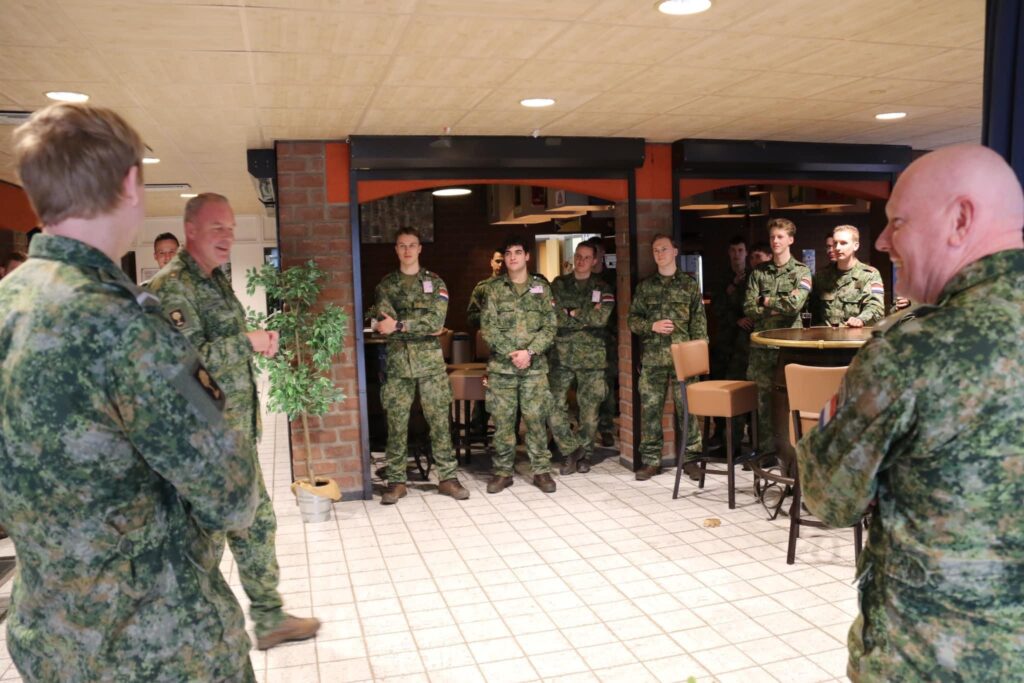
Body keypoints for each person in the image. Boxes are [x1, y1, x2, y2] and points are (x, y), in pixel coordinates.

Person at [1, 102, 259, 681]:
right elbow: (232, 493)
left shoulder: (7, 306)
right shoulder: (125, 326)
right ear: (129, 185)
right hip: (158, 645)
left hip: (48, 640)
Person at [797, 143, 1024, 681]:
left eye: (898, 221)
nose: (882, 240)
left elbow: (829, 496)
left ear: (960, 220)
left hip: (932, 657)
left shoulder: (913, 351)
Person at [148, 192, 321, 650]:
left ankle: (269, 617)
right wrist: (249, 340)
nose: (227, 236)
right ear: (190, 230)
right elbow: (183, 363)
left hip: (234, 437)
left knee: (257, 525)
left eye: (230, 227)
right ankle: (190, 638)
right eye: (216, 228)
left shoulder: (214, 281)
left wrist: (254, 343)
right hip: (203, 444)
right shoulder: (172, 287)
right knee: (204, 544)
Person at [367, 227, 469, 504]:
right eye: (402, 245)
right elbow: (385, 324)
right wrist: (416, 327)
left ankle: (447, 478)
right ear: (396, 249)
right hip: (399, 364)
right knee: (396, 424)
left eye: (412, 245)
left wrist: (400, 325)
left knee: (439, 421)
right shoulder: (386, 285)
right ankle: (396, 482)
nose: (407, 250)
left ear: (420, 248)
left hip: (430, 365)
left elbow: (435, 323)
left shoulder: (436, 283)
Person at [480, 235, 564, 493]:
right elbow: (488, 328)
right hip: (502, 369)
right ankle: (502, 472)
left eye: (517, 252)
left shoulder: (541, 288)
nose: (513, 257)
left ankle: (541, 471)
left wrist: (529, 352)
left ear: (527, 256)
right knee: (503, 423)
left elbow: (550, 327)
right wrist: (513, 353)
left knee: (536, 419)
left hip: (534, 368)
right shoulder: (493, 289)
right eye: (508, 253)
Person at [627, 233, 707, 481]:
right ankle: (651, 460)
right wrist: (651, 326)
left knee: (688, 409)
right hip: (653, 359)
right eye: (655, 250)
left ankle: (691, 458)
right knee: (650, 410)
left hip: (684, 358)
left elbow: (699, 325)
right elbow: (632, 320)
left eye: (663, 249)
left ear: (675, 252)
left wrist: (699, 358)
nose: (659, 254)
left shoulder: (689, 285)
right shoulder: (645, 287)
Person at [744, 218, 811, 455]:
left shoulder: (801, 271)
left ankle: (791, 452)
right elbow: (748, 308)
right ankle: (766, 453)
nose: (775, 241)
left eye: (780, 237)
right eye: (772, 237)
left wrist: (765, 301)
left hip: (789, 347)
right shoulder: (759, 273)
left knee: (791, 401)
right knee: (762, 402)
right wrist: (774, 308)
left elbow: (794, 305)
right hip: (761, 350)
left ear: (790, 240)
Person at [548, 241, 614, 474]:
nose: (581, 261)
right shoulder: (559, 284)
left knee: (589, 411)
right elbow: (553, 316)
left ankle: (586, 454)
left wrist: (571, 313)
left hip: (592, 358)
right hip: (562, 356)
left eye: (586, 257)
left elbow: (602, 318)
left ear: (594, 261)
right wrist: (584, 315)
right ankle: (570, 449)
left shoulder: (602, 287)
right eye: (578, 256)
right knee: (553, 404)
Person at [709, 236, 753, 459]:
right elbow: (716, 307)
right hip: (724, 342)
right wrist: (734, 318)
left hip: (746, 345)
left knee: (744, 391)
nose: (737, 255)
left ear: (746, 253)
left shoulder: (754, 277)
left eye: (740, 250)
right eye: (733, 250)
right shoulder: (721, 277)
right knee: (720, 388)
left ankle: (748, 439)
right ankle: (721, 434)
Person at [810, 225, 885, 327]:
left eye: (843, 243)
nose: (837, 248)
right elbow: (813, 310)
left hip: (854, 334)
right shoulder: (821, 276)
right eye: (835, 243)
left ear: (856, 246)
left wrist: (861, 319)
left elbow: (876, 308)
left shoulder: (869, 275)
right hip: (827, 335)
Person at [586, 236, 618, 447]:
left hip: (607, 339)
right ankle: (588, 428)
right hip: (585, 342)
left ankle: (606, 427)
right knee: (587, 387)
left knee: (606, 387)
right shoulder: (583, 280)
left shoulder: (611, 279)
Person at [466, 249, 503, 330]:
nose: (500, 265)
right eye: (497, 261)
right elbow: (471, 317)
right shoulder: (482, 288)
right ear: (491, 262)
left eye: (504, 262)